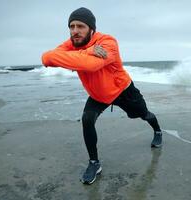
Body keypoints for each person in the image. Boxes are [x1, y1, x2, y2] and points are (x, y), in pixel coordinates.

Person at [41, 7, 162, 185]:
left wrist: (72, 56)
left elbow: (91, 65)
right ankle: (94, 163)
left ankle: (158, 130)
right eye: (71, 26)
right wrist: (88, 51)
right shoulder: (72, 43)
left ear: (91, 28)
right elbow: (46, 58)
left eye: (80, 26)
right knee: (87, 119)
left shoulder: (108, 42)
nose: (75, 31)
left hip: (123, 91)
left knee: (143, 114)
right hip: (98, 95)